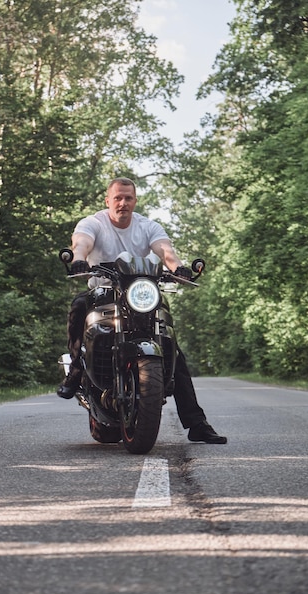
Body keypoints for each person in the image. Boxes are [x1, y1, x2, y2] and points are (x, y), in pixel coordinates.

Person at [57, 177, 227, 444]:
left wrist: (177, 266)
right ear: (108, 201)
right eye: (118, 198)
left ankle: (197, 423)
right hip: (104, 291)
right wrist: (78, 259)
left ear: (135, 200)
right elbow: (81, 243)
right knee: (80, 305)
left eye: (128, 198)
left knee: (171, 344)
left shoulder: (148, 226)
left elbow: (165, 250)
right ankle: (77, 368)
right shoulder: (93, 223)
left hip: (140, 294)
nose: (123, 203)